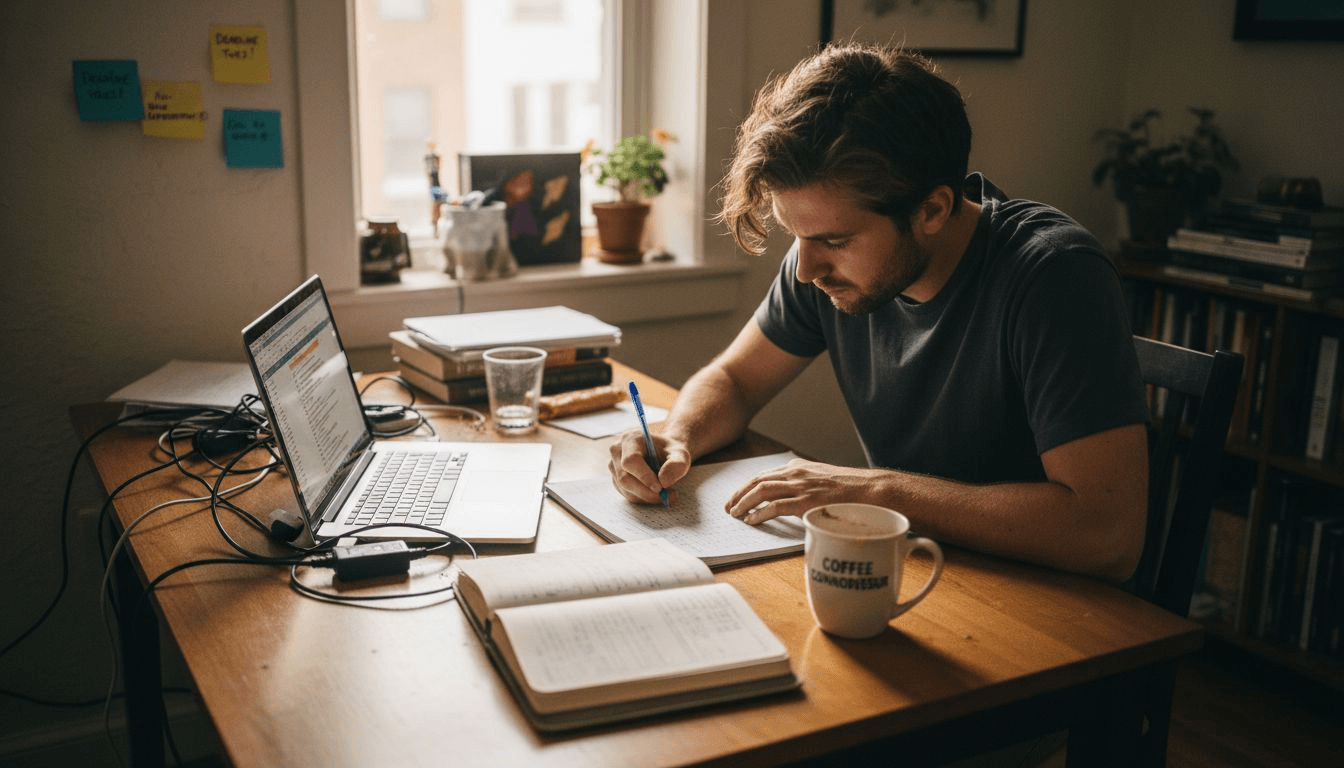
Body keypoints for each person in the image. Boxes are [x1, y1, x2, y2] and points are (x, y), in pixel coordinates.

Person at [608, 43, 1150, 584]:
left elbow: (1106, 535)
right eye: (796, 236)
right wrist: (678, 437)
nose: (806, 271)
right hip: (917, 573)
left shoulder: (1053, 277)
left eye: (834, 241)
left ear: (933, 210)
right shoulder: (824, 266)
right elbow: (735, 380)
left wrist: (876, 489)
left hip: (1051, 610)